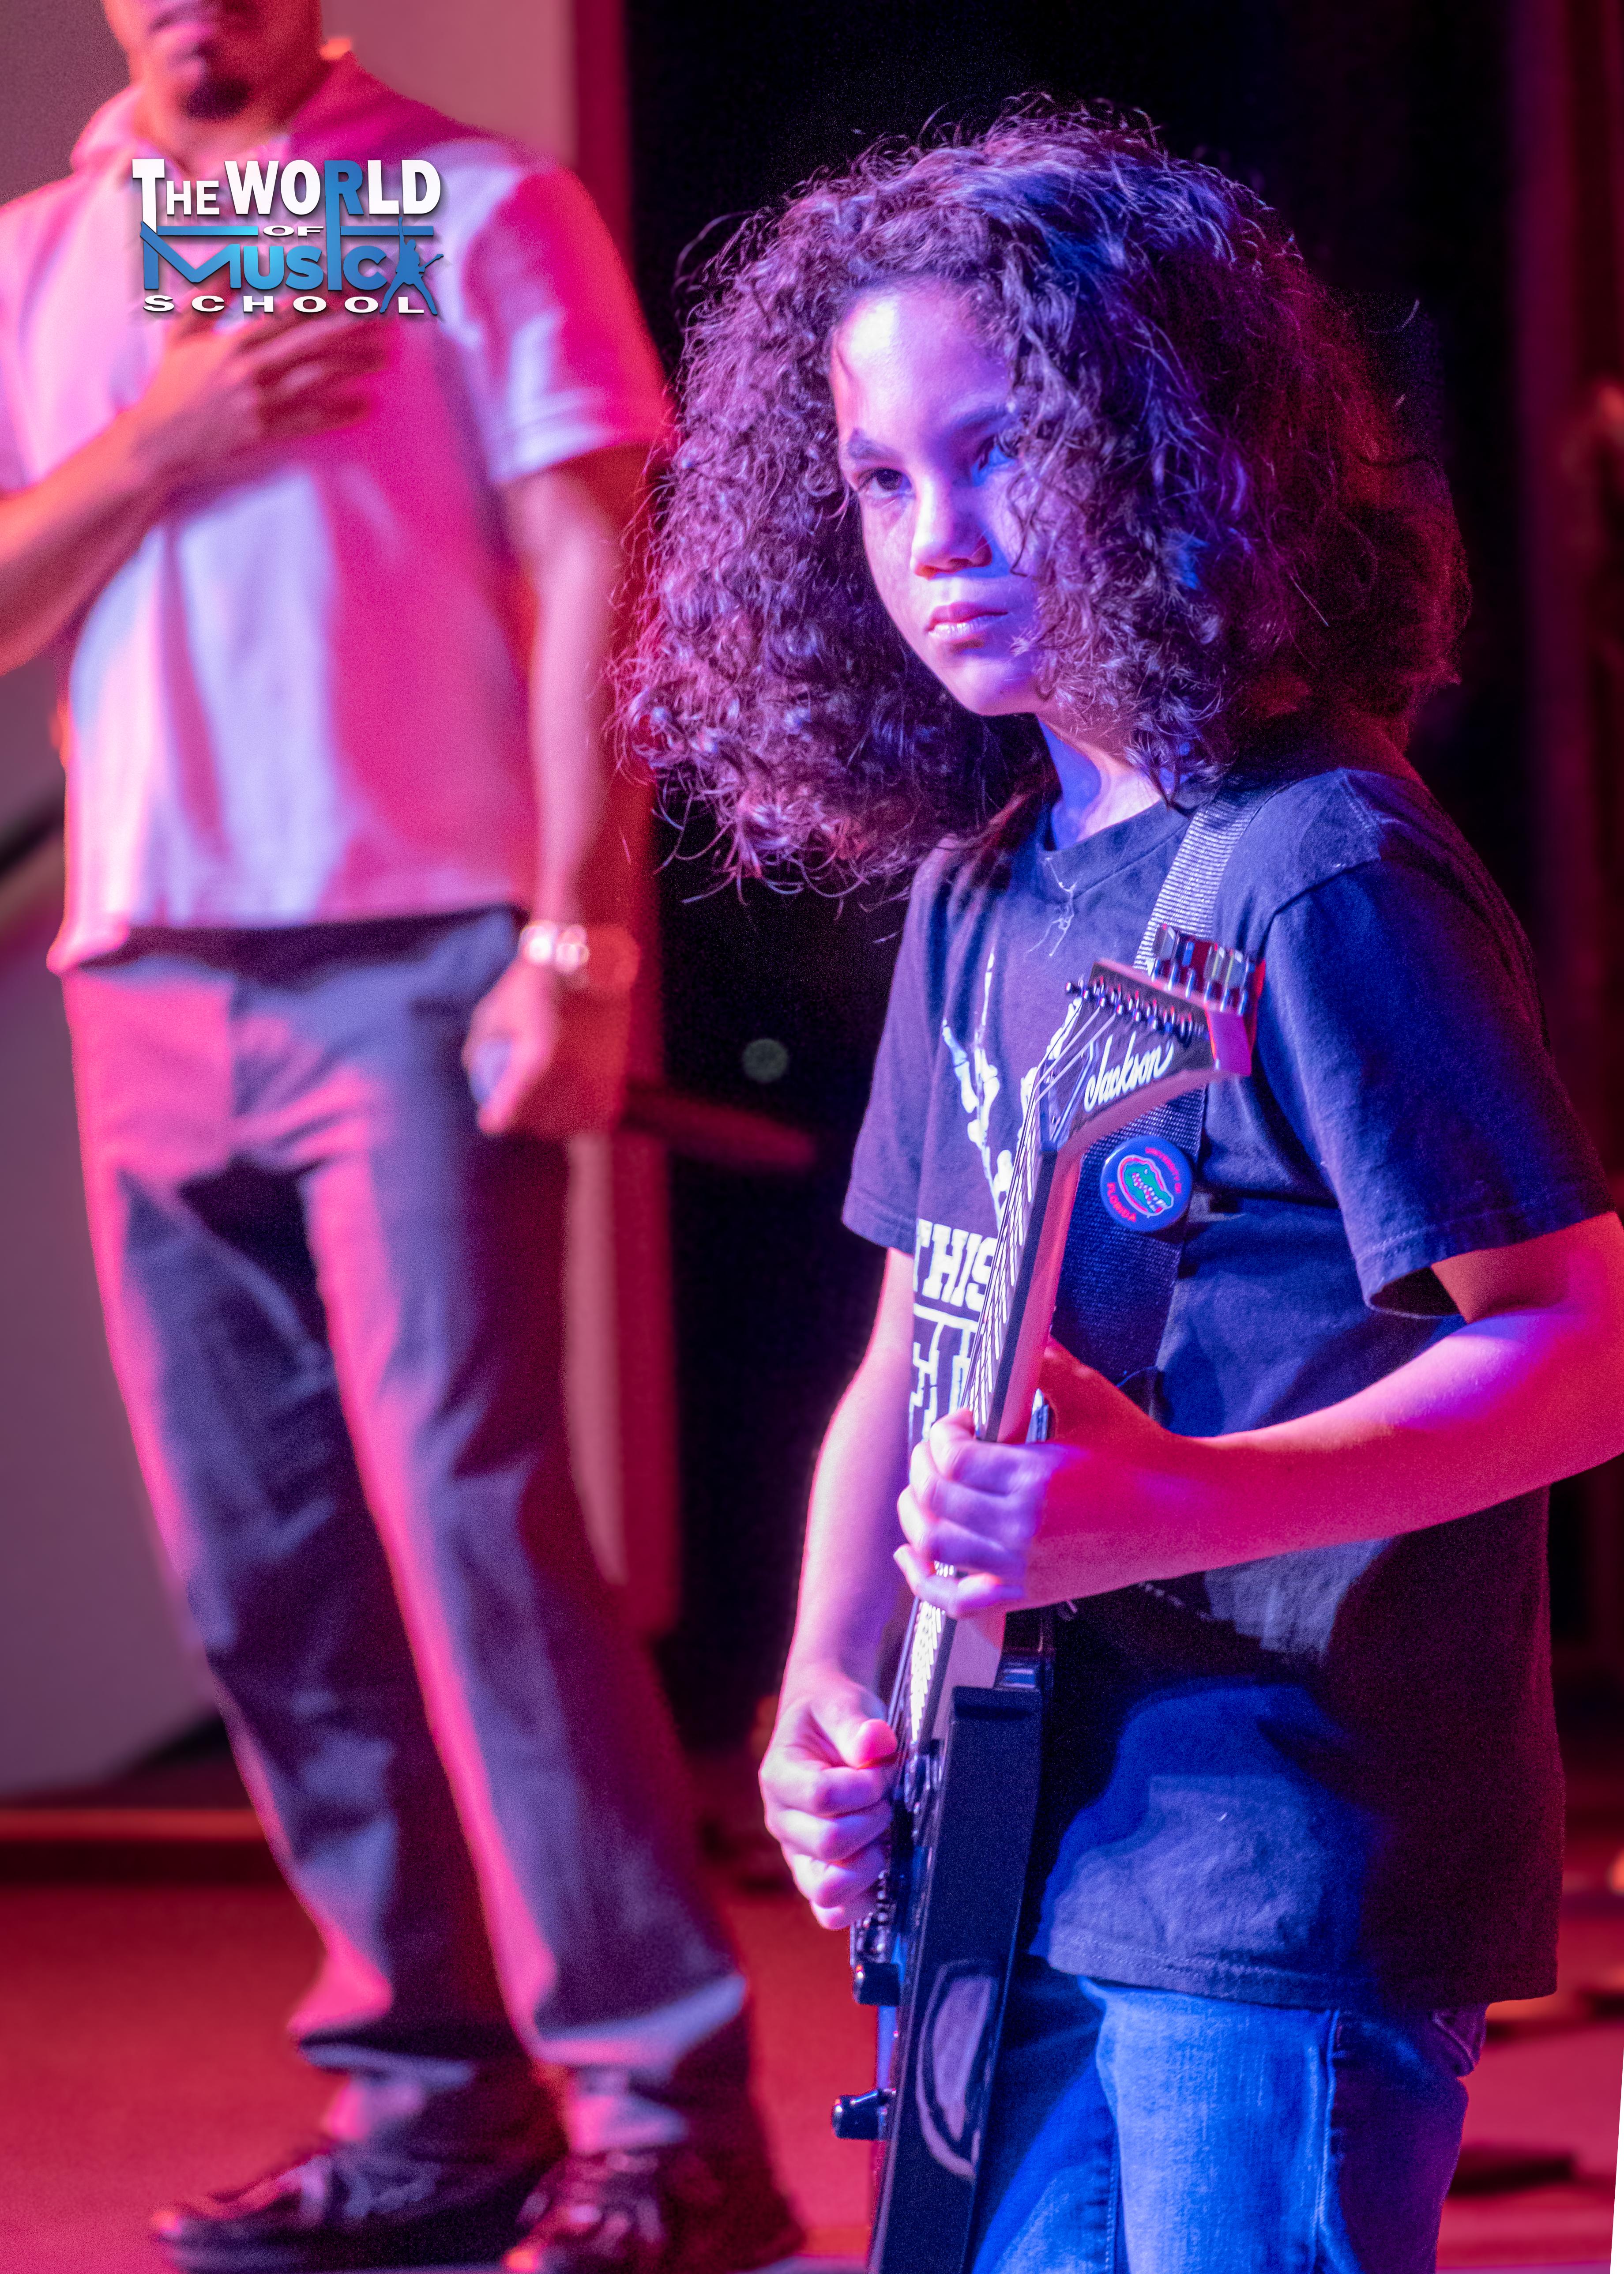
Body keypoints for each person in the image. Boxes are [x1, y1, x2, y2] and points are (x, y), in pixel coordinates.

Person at [627, 105, 1624, 2272]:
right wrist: (826, 1679)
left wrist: (1169, 1501)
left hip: (1277, 1855)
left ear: (1172, 450)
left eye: (998, 454)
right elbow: (922, 1324)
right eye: (880, 481)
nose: (937, 538)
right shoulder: (981, 893)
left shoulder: (1320, 871)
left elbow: (1577, 1347)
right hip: (1018, 1834)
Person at [0, 5, 803, 2271]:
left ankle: (665, 2115)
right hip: (151, 970)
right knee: (261, 1568)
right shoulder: (54, 253)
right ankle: (430, 2104)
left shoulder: (449, 205)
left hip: (412, 955)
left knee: (470, 1527)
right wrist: (159, 443)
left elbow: (587, 574)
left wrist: (579, 940)